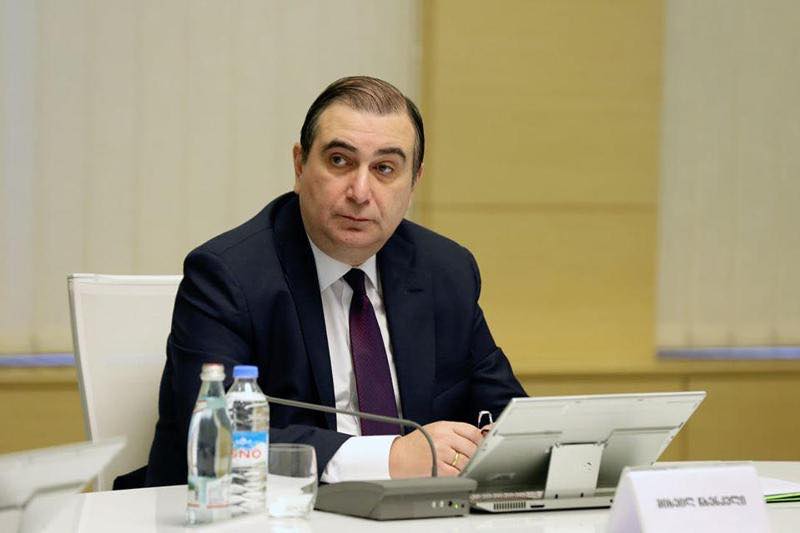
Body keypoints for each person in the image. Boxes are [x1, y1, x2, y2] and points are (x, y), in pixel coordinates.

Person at [143, 76, 525, 488]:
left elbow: (507, 414)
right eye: (340, 161)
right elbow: (219, 439)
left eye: (384, 169)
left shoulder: (445, 271)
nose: (360, 192)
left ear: (414, 182)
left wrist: (506, 443)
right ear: (300, 165)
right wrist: (390, 458)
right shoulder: (226, 277)